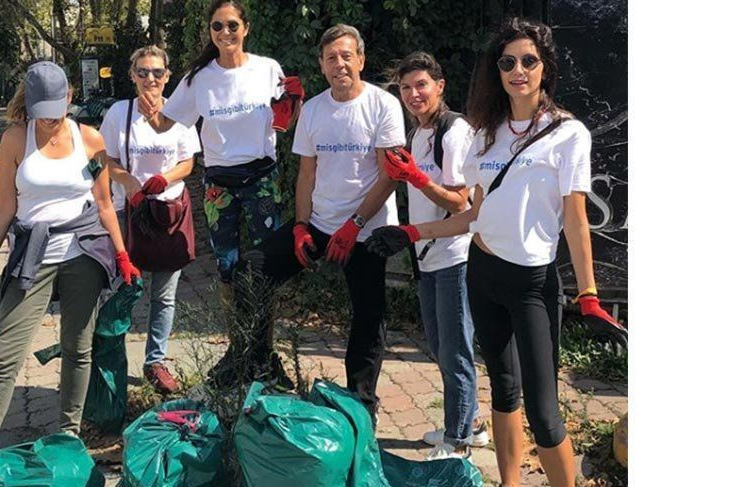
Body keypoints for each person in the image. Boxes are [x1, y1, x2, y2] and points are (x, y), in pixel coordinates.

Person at [365, 18, 625, 486]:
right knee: (504, 394)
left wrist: (588, 293)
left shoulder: (568, 133)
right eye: (508, 62)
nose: (518, 70)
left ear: (545, 67)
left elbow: (575, 218)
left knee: (545, 415)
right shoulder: (486, 132)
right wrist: (412, 232)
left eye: (529, 61)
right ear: (497, 70)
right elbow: (472, 215)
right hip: (482, 275)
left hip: (532, 285)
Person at [230, 24, 405, 422]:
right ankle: (260, 367)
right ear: (322, 66)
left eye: (347, 56)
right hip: (321, 224)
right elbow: (306, 174)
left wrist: (356, 224)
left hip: (367, 229)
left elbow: (390, 175)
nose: (339, 64)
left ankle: (361, 404)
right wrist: (300, 226)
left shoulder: (383, 106)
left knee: (368, 313)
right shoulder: (313, 110)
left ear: (361, 60)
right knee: (251, 272)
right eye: (331, 58)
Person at [0, 61, 140, 451]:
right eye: (40, 114)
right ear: (29, 106)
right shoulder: (15, 140)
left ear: (68, 98)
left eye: (56, 111)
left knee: (78, 348)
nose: (49, 121)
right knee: (4, 354)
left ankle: (68, 438)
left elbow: (103, 203)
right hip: (33, 255)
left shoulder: (91, 140)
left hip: (82, 252)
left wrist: (122, 255)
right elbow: (3, 206)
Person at [136, 0, 303, 308]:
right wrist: (149, 110)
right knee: (226, 266)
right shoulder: (199, 78)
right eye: (217, 26)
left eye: (232, 26)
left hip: (262, 177)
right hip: (219, 184)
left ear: (246, 28)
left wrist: (296, 103)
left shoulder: (267, 69)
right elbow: (163, 125)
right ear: (210, 31)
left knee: (266, 265)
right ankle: (237, 346)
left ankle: (261, 348)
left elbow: (285, 122)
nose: (225, 32)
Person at [383, 51, 488, 460]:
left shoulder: (453, 131)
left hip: (455, 256)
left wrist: (417, 177)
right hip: (425, 254)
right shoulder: (418, 134)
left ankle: (457, 441)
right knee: (440, 344)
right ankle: (470, 424)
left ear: (440, 86)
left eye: (421, 85)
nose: (413, 94)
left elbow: (461, 203)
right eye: (406, 87)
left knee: (455, 350)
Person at [99, 45, 201, 393]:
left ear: (167, 76)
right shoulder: (118, 113)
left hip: (170, 211)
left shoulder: (180, 112)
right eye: (142, 72)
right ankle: (111, 360)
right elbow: (107, 159)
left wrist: (166, 178)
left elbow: (188, 162)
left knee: (165, 295)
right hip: (131, 212)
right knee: (125, 289)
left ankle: (155, 362)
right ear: (132, 75)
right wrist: (129, 183)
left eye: (157, 72)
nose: (150, 78)